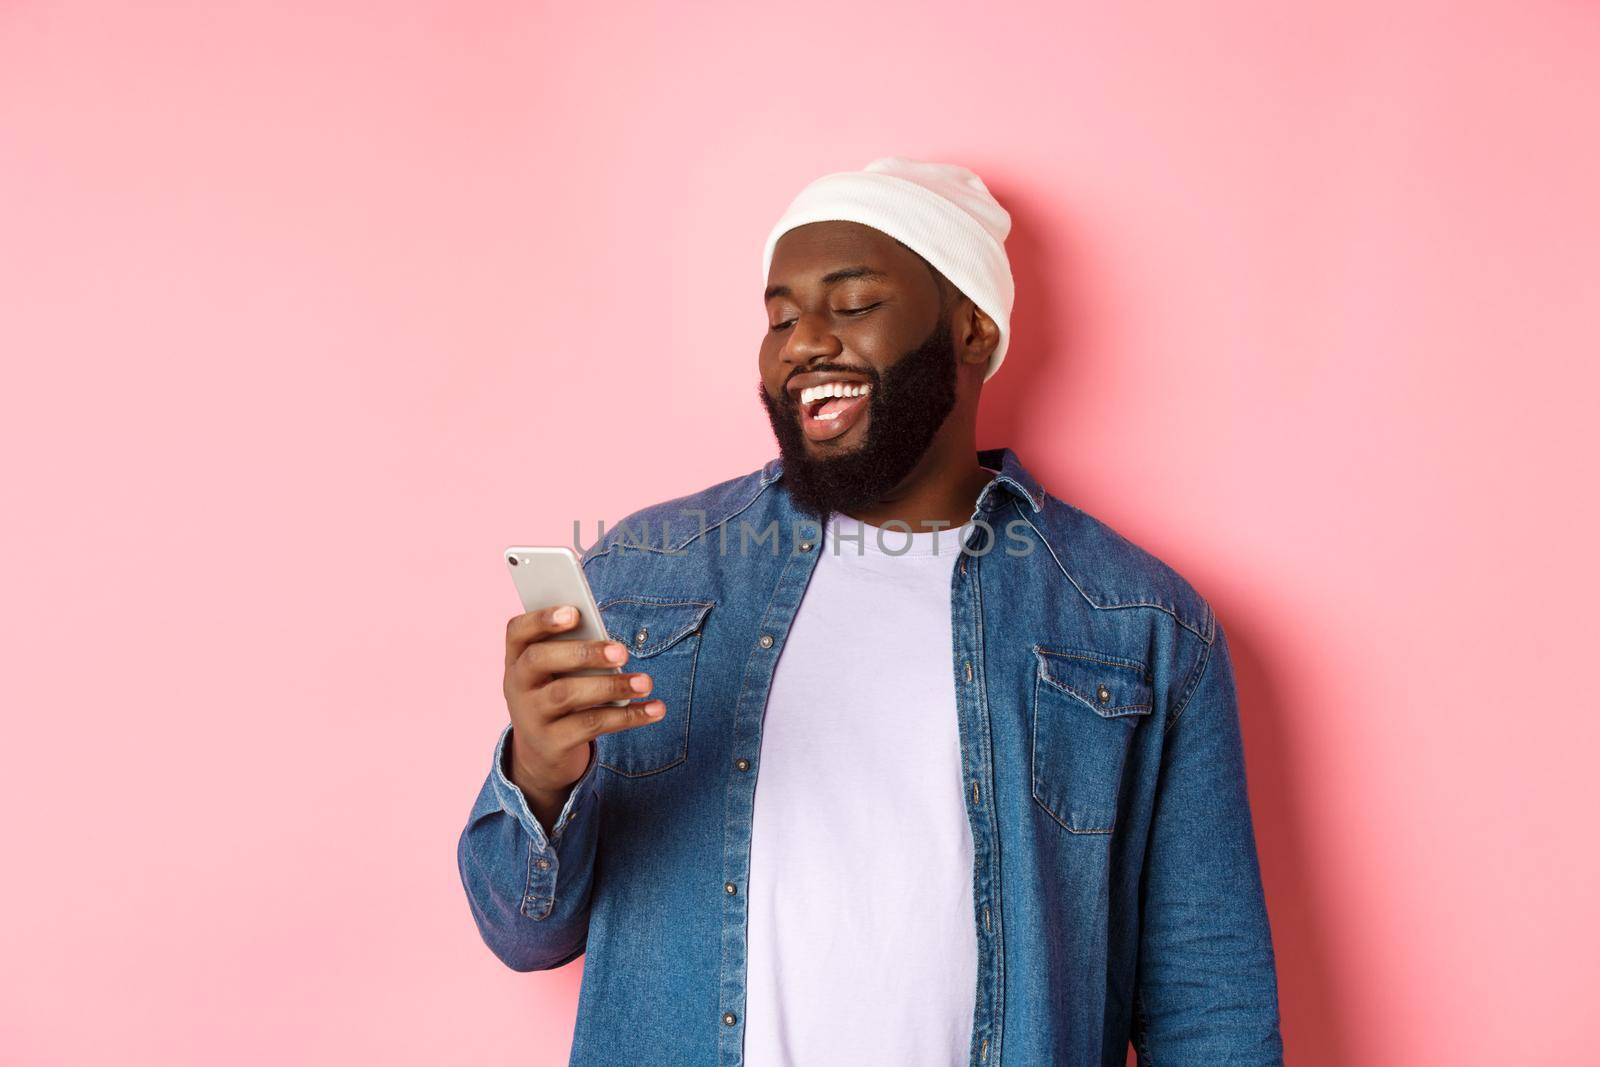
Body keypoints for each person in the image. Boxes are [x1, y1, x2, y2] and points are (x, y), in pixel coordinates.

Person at [457, 157, 1285, 1066]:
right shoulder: (646, 574)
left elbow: (1211, 1003)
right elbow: (521, 931)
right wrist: (541, 773)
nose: (803, 343)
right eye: (779, 318)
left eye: (851, 305)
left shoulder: (1138, 624)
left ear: (972, 330)